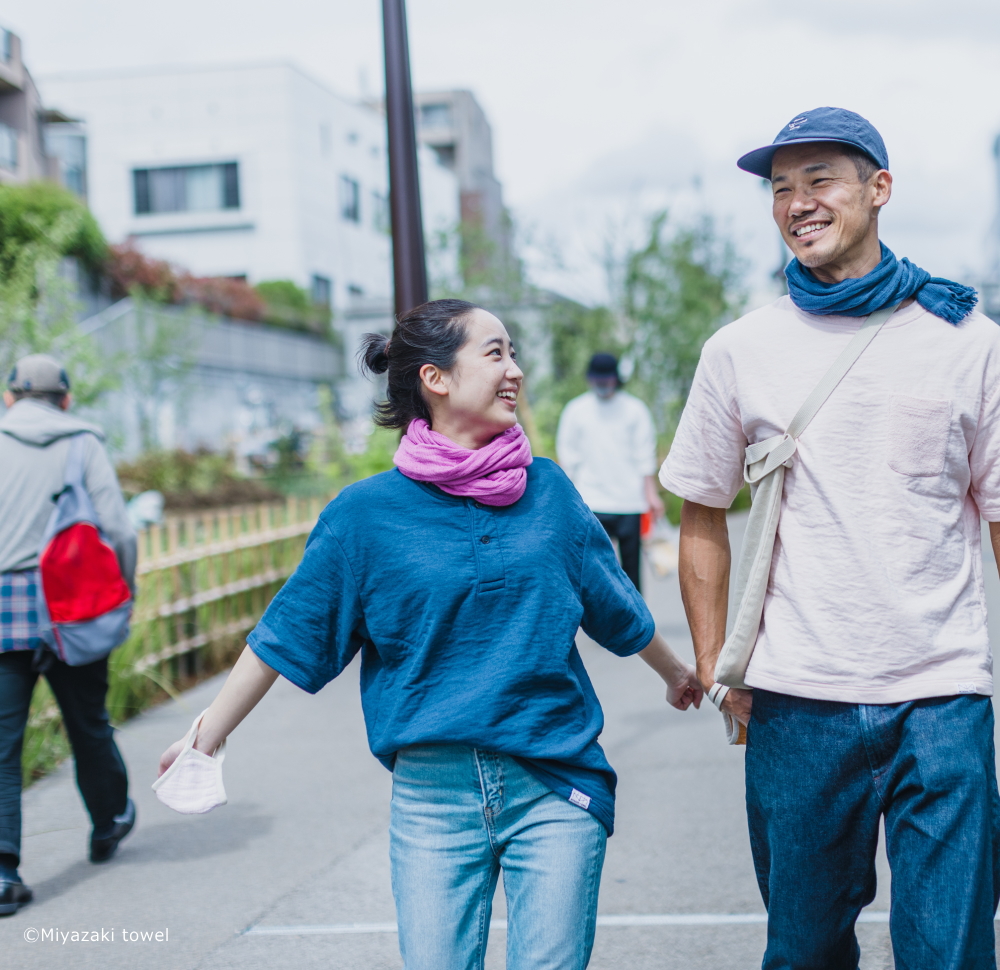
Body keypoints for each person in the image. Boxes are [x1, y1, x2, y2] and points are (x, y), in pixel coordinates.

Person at [159, 300, 702, 970]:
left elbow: (617, 606)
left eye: (513, 353)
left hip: (554, 783)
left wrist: (677, 672)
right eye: (496, 353)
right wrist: (207, 735)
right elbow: (284, 634)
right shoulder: (364, 517)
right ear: (435, 378)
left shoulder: (548, 491)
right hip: (431, 803)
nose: (517, 371)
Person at [659, 106, 1000, 969]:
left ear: (879, 190)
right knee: (804, 950)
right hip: (797, 698)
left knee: (952, 952)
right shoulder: (741, 349)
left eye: (820, 181)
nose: (797, 203)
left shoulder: (970, 342)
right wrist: (713, 664)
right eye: (781, 189)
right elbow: (700, 511)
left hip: (942, 693)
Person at [0, 355, 138, 916]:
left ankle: (4, 871)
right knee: (87, 723)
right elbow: (120, 531)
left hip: (3, 606)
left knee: (1, 746)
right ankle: (108, 823)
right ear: (66, 399)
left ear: (9, 398)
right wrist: (122, 590)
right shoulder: (83, 443)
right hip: (70, 604)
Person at [556, 353, 663, 593]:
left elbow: (645, 456)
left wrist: (651, 495)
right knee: (593, 570)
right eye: (598, 379)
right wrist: (566, 501)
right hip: (590, 501)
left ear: (616, 379)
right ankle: (602, 624)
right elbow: (568, 459)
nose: (603, 385)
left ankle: (636, 626)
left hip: (629, 502)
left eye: (607, 379)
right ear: (590, 379)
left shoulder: (635, 410)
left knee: (631, 571)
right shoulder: (576, 410)